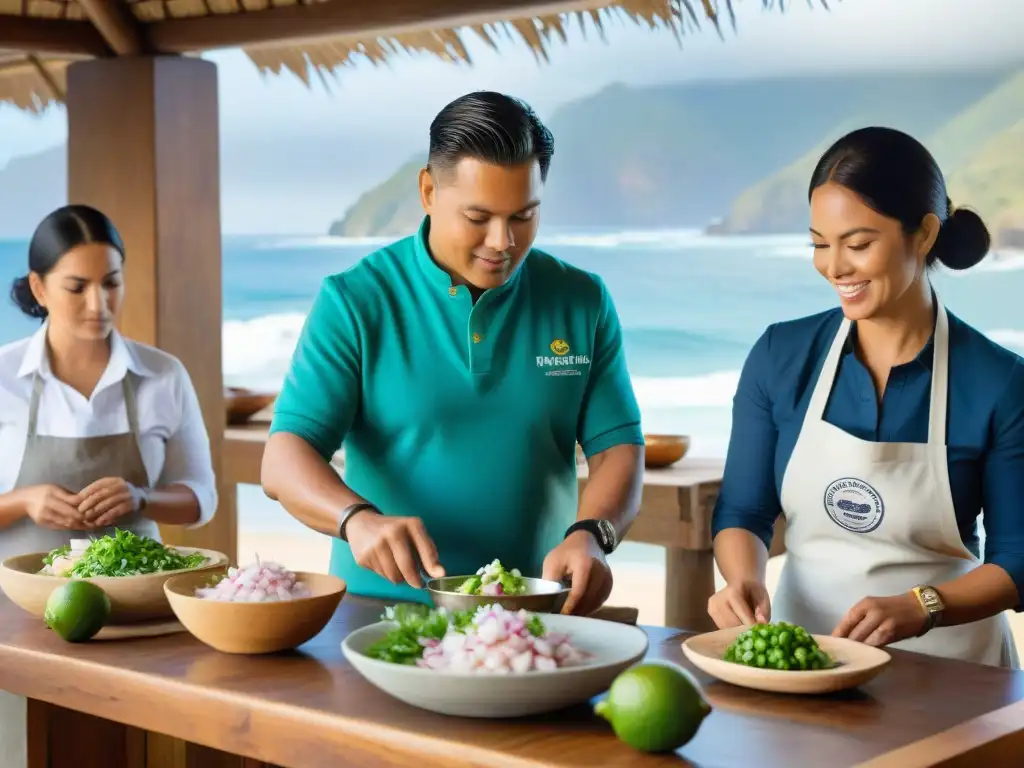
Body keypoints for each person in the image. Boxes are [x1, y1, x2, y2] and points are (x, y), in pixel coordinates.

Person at [262, 91, 645, 615]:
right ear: (427, 190)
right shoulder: (354, 300)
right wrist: (357, 519)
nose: (502, 241)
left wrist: (592, 535)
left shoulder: (582, 300)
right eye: (478, 216)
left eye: (524, 216)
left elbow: (618, 448)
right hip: (379, 609)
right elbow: (284, 459)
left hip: (534, 611)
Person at [709, 126, 1022, 668]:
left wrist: (922, 606)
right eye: (819, 244)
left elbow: (1017, 562)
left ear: (923, 235)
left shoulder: (998, 381)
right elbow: (744, 509)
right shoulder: (781, 356)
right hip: (806, 664)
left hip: (953, 674)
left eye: (858, 244)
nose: (834, 267)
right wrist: (742, 579)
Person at [0, 204, 218, 766]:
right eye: (76, 287)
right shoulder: (3, 378)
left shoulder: (162, 375)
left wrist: (143, 497)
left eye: (111, 283)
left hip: (137, 616)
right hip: (18, 620)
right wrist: (24, 500)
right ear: (39, 289)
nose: (99, 304)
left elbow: (200, 496)